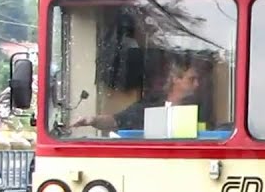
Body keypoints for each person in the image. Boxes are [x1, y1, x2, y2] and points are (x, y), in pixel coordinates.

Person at [73, 52, 202, 133]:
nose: (197, 84)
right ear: (176, 79)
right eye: (191, 79)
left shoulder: (200, 108)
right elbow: (117, 120)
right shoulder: (151, 104)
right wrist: (93, 120)